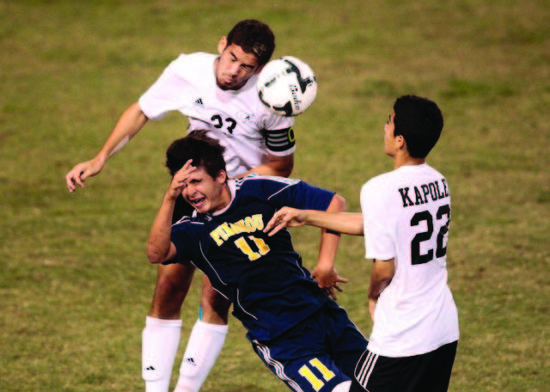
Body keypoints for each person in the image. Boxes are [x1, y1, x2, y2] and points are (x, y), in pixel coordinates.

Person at [65, 19, 299, 392]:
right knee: (169, 288)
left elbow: (282, 165)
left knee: (215, 299)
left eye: (246, 68)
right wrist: (100, 157)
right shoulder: (187, 70)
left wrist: (231, 185)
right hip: (190, 194)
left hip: (240, 205)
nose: (233, 71)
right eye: (231, 58)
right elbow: (142, 109)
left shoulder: (273, 100)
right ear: (222, 44)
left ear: (260, 70)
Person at [265, 95, 459, 392]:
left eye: (388, 122)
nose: (384, 128)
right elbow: (375, 222)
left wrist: (374, 299)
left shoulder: (380, 189)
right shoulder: (438, 181)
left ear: (400, 141)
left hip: (403, 334)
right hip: (443, 328)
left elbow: (384, 267)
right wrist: (307, 216)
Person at [147, 131, 368, 392]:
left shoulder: (258, 190)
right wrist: (169, 199)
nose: (190, 192)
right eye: (183, 185)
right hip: (282, 339)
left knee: (385, 382)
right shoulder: (193, 229)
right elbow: (156, 254)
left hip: (324, 315)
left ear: (220, 175)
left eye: (196, 181)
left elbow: (333, 203)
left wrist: (325, 264)